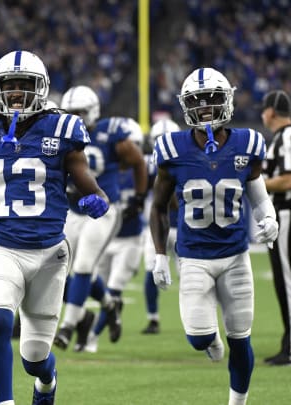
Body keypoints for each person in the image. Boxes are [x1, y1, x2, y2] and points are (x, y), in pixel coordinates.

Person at [0, 50, 108, 405]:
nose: (16, 92)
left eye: (24, 84)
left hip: (49, 254)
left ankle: (47, 380)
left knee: (34, 360)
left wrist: (98, 199)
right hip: (1, 247)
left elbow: (85, 181)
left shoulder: (63, 127)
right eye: (9, 85)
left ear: (41, 88)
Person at [151, 67, 278, 405]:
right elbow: (158, 206)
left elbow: (258, 195)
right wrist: (160, 254)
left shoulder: (247, 143)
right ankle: (210, 341)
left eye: (212, 99)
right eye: (198, 101)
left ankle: (237, 402)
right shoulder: (171, 149)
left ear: (227, 102)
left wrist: (269, 217)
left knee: (241, 337)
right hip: (193, 257)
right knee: (198, 336)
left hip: (235, 256)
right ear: (185, 105)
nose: (205, 107)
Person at [54, 85, 148, 352]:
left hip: (103, 211)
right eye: (70, 113)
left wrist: (140, 198)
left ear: (93, 112)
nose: (75, 118)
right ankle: (108, 304)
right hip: (73, 211)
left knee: (83, 267)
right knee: (63, 270)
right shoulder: (60, 136)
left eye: (80, 113)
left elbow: (139, 162)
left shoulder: (111, 133)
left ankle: (68, 327)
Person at [81, 117, 147, 352]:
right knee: (92, 284)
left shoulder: (140, 170)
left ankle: (91, 337)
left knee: (115, 289)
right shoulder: (102, 170)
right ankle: (96, 323)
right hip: (105, 239)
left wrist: (139, 202)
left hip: (130, 239)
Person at [260, 89, 291, 365]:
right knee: (284, 279)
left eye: (263, 109)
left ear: (271, 112)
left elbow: (289, 180)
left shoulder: (288, 137)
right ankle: (290, 342)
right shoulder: (288, 136)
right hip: (286, 211)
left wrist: (256, 184)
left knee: (288, 280)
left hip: (288, 211)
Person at [142, 118, 181, 335]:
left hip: (177, 224)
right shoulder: (153, 163)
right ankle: (153, 318)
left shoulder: (154, 162)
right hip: (163, 225)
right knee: (151, 271)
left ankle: (195, 320)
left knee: (191, 278)